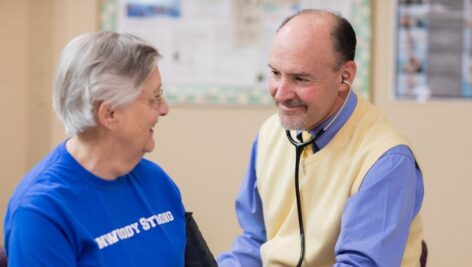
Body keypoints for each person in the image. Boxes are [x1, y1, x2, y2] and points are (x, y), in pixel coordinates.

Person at [217, 9, 424, 267]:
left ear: (345, 76)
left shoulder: (386, 160)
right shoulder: (269, 134)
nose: (280, 94)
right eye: (275, 73)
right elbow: (255, 241)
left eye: (300, 78)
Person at [4, 31, 216, 267]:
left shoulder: (156, 180)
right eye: (154, 98)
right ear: (110, 113)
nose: (164, 109)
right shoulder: (41, 212)